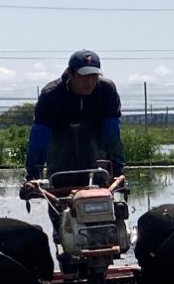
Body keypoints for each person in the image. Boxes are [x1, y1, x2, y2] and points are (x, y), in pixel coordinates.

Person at [24, 49, 125, 188]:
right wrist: (33, 176)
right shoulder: (51, 95)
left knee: (105, 205)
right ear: (70, 73)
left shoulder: (107, 92)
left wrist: (118, 171)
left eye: (94, 76)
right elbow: (39, 138)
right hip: (61, 171)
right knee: (60, 206)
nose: (90, 82)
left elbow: (112, 133)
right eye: (84, 76)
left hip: (97, 170)